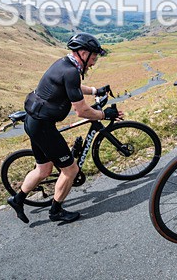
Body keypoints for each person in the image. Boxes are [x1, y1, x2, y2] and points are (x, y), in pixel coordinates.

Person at [7, 32, 121, 225]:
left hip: (33, 121)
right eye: (93, 58)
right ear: (83, 53)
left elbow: (73, 86)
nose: (93, 63)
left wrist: (95, 90)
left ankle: (17, 200)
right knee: (70, 170)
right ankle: (56, 211)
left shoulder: (65, 64)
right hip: (42, 126)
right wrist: (105, 114)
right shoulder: (71, 71)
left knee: (43, 170)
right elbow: (82, 111)